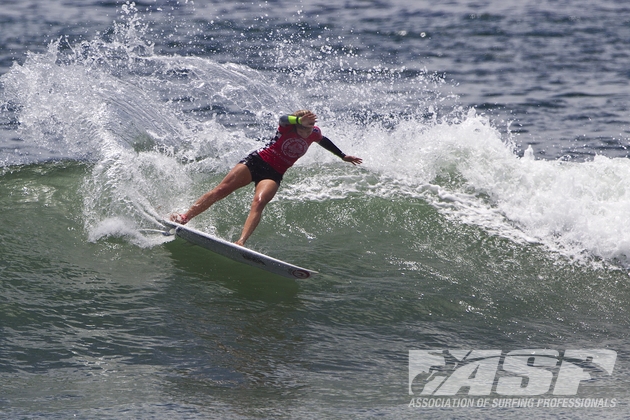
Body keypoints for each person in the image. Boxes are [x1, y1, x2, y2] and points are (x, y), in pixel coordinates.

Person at [170, 110, 362, 246]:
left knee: (259, 202)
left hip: (274, 173)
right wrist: (298, 120)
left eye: (311, 128)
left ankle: (241, 241)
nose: (308, 132)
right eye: (304, 128)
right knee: (221, 190)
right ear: (297, 124)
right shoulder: (287, 127)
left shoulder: (315, 133)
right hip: (256, 161)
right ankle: (185, 217)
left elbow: (324, 141)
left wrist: (343, 156)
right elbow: (283, 117)